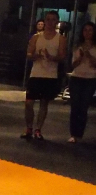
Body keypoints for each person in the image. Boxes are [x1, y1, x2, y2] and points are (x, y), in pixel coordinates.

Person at [21, 10, 67, 140]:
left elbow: (62, 57)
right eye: (48, 19)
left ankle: (38, 130)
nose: (50, 22)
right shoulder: (36, 37)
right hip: (36, 74)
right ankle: (29, 128)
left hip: (50, 75)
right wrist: (35, 55)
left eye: (53, 20)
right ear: (44, 21)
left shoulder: (61, 39)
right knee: (29, 103)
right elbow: (28, 54)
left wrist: (51, 57)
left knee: (44, 103)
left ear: (57, 22)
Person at [67, 22, 96, 143]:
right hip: (76, 77)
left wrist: (89, 56)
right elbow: (73, 64)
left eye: (90, 30)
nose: (87, 33)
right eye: (85, 30)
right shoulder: (78, 46)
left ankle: (79, 133)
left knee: (83, 107)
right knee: (75, 106)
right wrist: (80, 57)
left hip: (90, 79)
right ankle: (73, 133)